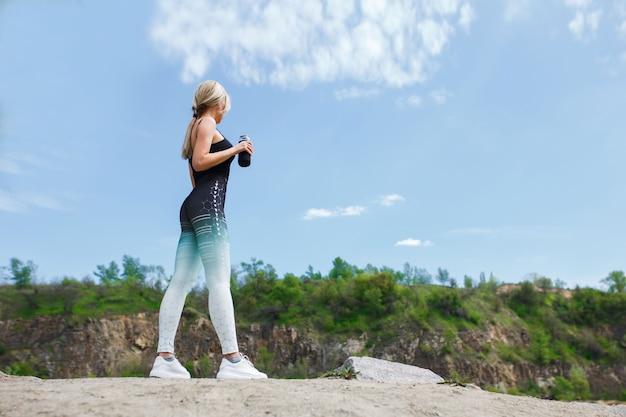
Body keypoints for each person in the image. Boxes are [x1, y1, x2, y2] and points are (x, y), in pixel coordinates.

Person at [149, 80, 267, 379]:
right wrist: (236, 149)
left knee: (181, 281)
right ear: (220, 103)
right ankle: (233, 361)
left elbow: (194, 174)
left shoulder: (193, 127)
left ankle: (164, 358)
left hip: (192, 208)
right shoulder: (206, 122)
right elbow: (201, 163)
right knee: (218, 282)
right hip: (208, 209)